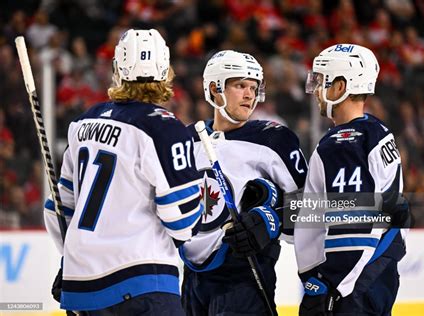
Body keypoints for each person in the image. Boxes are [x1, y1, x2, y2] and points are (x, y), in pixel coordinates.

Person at [43, 29, 202, 315]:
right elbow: (182, 221)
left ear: (118, 69)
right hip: (143, 283)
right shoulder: (164, 127)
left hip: (82, 287)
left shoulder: (84, 122)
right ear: (165, 69)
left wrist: (74, 259)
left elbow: (57, 207)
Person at [179, 50, 308, 315]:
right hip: (191, 278)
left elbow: (309, 207)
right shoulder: (186, 139)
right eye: (240, 85)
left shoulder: (274, 140)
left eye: (253, 87)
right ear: (215, 88)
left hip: (244, 276)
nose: (249, 95)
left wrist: (269, 220)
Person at [294, 44, 410, 315]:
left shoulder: (344, 142)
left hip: (351, 286)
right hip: (376, 273)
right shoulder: (377, 130)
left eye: (322, 81)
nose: (316, 92)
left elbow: (353, 227)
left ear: (340, 87)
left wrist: (330, 288)